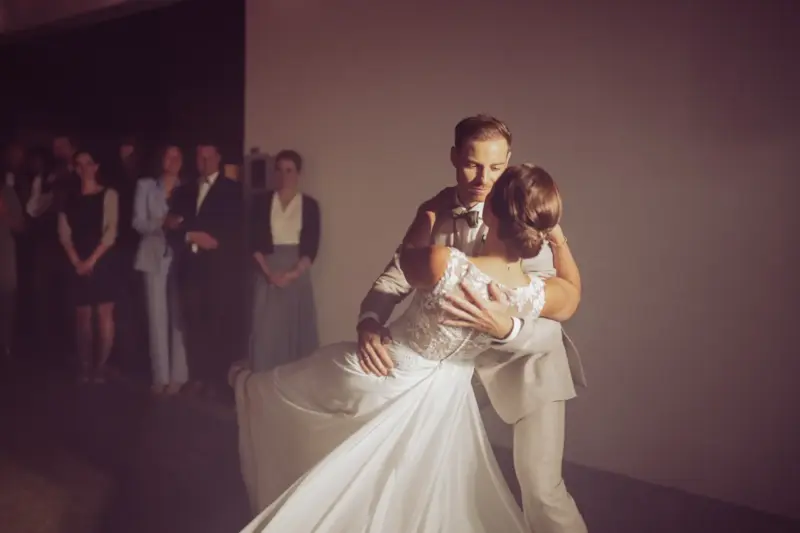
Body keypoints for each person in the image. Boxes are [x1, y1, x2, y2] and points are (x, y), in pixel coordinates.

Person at [230, 163, 581, 532]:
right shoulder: (533, 294)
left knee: (281, 390)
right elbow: (572, 294)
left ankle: (246, 385)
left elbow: (405, 258)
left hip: (387, 369)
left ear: (491, 210)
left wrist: (429, 210)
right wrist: (556, 238)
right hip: (445, 393)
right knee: (405, 482)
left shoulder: (445, 263)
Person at [357, 115, 587, 533]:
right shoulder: (437, 212)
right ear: (454, 158)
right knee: (422, 467)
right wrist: (370, 320)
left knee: (542, 491)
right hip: (456, 367)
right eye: (473, 164)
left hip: (529, 364)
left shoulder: (525, 214)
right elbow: (397, 275)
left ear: (509, 162)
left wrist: (508, 330)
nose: (484, 178)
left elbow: (554, 317)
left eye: (497, 167)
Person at [248, 150, 321, 372]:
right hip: (268, 272)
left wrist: (291, 275)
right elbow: (253, 243)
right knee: (265, 334)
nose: (284, 175)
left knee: (295, 334)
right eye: (279, 170)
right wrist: (269, 274)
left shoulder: (309, 205)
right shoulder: (261, 202)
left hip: (295, 274)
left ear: (298, 173)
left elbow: (311, 248)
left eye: (289, 170)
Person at [58, 149, 119, 383]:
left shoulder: (108, 195)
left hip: (102, 258)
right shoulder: (68, 198)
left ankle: (100, 366)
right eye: (79, 164)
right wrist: (77, 262)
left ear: (96, 166)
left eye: (88, 163)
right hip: (78, 259)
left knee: (104, 313)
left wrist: (91, 261)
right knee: (82, 315)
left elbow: (110, 231)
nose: (85, 168)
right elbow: (64, 234)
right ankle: (85, 366)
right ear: (75, 168)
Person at [133, 145, 188, 395]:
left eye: (177, 155)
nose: (173, 159)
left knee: (178, 316)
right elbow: (137, 222)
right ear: (161, 158)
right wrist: (160, 223)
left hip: (180, 256)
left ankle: (179, 375)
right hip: (153, 253)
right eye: (168, 154)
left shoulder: (187, 187)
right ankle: (160, 376)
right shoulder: (146, 186)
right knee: (156, 315)